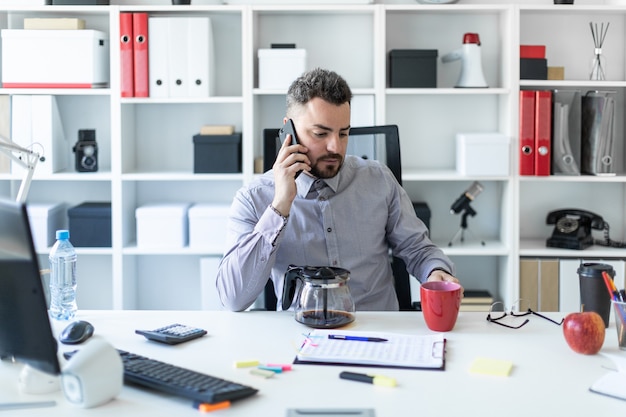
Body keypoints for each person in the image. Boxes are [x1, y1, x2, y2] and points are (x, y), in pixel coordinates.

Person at [216, 68, 459, 311]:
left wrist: (436, 270)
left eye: (343, 133)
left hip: (378, 330)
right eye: (320, 133)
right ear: (289, 130)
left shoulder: (379, 180)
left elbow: (417, 248)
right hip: (301, 334)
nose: (335, 146)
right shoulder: (254, 197)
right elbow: (233, 299)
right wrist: (279, 207)